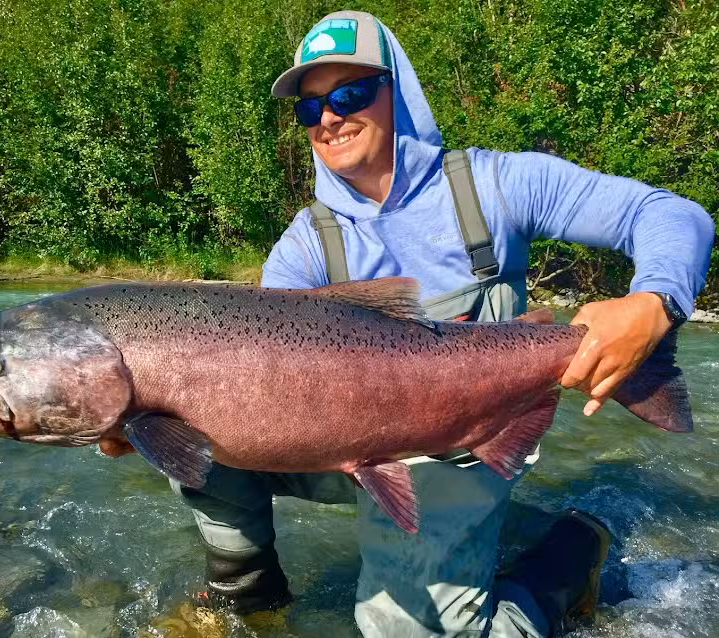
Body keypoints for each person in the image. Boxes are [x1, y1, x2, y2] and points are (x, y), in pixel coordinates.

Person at [100, 10, 713, 637]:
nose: (329, 118)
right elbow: (260, 371)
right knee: (183, 433)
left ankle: (566, 561)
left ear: (400, 92)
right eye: (310, 107)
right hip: (342, 437)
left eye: (350, 94)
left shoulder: (495, 186)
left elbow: (670, 216)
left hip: (462, 441)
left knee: (404, 630)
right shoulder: (305, 245)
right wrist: (137, 415)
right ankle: (246, 599)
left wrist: (653, 304)